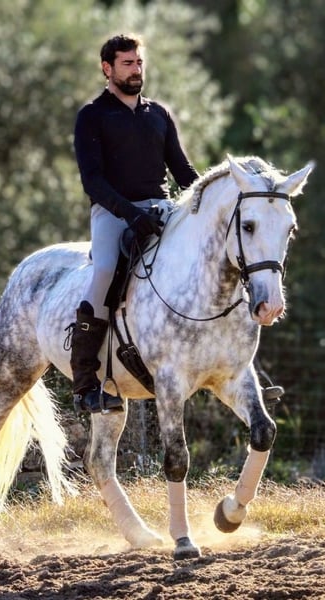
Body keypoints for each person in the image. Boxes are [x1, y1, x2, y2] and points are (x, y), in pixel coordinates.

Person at [69, 33, 199, 412]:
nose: (136, 69)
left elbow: (183, 171)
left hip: (161, 209)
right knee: (105, 270)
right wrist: (129, 213)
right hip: (112, 212)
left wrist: (209, 197)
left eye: (139, 62)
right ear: (107, 68)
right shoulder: (92, 115)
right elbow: (92, 181)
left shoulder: (159, 114)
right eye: (127, 63)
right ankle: (84, 381)